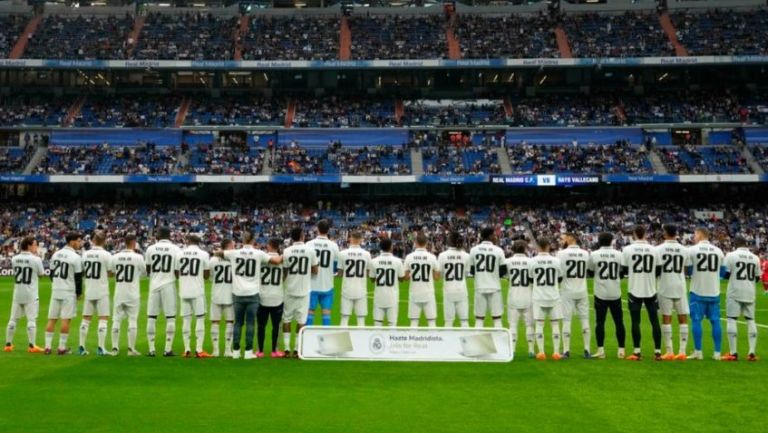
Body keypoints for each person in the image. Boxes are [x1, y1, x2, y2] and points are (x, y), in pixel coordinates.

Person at [217, 232, 282, 360]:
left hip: (238, 293)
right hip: (252, 293)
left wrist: (219, 253)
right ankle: (248, 351)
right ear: (253, 240)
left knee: (238, 323)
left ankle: (235, 351)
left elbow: (218, 252)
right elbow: (276, 261)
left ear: (242, 239)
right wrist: (287, 253)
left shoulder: (234, 253)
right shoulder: (259, 253)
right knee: (251, 323)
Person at [622, 225, 662, 361]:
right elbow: (658, 271)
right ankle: (657, 352)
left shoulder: (627, 249)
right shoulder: (654, 250)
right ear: (645, 234)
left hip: (634, 289)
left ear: (634, 234)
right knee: (654, 320)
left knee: (635, 321)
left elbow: (624, 270)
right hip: (651, 289)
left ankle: (637, 351)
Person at [687, 227, 725, 361]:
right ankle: (717, 353)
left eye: (695, 234)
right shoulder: (719, 251)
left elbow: (689, 271)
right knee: (716, 322)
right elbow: (723, 273)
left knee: (696, 320)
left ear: (700, 234)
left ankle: (698, 351)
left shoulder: (692, 250)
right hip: (714, 292)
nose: (694, 237)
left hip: (698, 291)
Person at [281, 228, 319, 358]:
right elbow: (315, 271)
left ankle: (286, 349)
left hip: (290, 289)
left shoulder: (286, 251)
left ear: (292, 237)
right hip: (304, 290)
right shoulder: (310, 250)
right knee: (301, 321)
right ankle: (297, 350)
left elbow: (285, 271)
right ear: (302, 236)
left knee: (286, 319)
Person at [144, 227, 181, 357]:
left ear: (157, 236)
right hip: (169, 284)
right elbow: (177, 271)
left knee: (151, 317)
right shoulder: (176, 249)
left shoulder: (150, 249)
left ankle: (151, 349)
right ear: (169, 236)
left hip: (154, 285)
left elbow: (148, 269)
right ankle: (167, 349)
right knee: (170, 317)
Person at [588, 232, 626, 359]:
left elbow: (590, 272)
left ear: (599, 241)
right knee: (619, 322)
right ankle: (621, 350)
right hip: (615, 292)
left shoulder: (594, 254)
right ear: (611, 241)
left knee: (600, 322)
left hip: (600, 292)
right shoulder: (619, 254)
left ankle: (601, 350)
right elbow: (622, 272)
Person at [4, 236, 45, 353]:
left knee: (13, 319)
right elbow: (42, 274)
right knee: (31, 320)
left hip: (18, 293)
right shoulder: (36, 259)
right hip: (31, 293)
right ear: (29, 246)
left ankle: (8, 344)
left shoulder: (14, 259)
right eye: (35, 244)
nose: (36, 247)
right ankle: (32, 346)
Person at [722, 237, 760, 361]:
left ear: (735, 244)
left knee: (732, 319)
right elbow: (757, 278)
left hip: (735, 291)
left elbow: (726, 275)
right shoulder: (755, 258)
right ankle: (752, 352)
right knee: (750, 320)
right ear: (746, 244)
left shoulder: (731, 255)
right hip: (750, 291)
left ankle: (733, 353)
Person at [45, 232, 83, 355]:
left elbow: (51, 273)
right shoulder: (76, 257)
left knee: (52, 319)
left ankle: (47, 347)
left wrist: (57, 283)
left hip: (56, 289)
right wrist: (79, 293)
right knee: (66, 320)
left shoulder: (56, 254)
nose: (80, 243)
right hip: (68, 291)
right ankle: (61, 348)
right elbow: (78, 278)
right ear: (72, 242)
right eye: (78, 240)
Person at [655, 224, 690, 361]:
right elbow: (685, 268)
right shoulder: (684, 250)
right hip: (680, 285)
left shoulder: (658, 249)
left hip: (664, 286)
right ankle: (682, 351)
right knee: (683, 318)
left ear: (664, 233)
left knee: (666, 318)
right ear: (676, 234)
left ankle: (669, 351)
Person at [175, 234, 212, 358]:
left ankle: (186, 350)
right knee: (200, 318)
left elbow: (176, 273)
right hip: (197, 291)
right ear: (199, 243)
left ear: (188, 241)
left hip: (184, 290)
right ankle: (199, 349)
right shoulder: (204, 254)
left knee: (186, 320)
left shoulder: (179, 254)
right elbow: (206, 275)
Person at [556, 232, 591, 359]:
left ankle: (566, 350)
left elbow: (559, 273)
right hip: (582, 289)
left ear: (571, 238)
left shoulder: (561, 254)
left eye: (564, 238)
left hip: (567, 290)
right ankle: (587, 350)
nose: (562, 240)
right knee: (585, 319)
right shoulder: (585, 253)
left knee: (566, 320)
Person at [110, 234, 146, 356]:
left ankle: (115, 348)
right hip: (132, 293)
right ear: (133, 242)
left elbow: (111, 272)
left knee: (116, 319)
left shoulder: (115, 257)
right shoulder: (138, 257)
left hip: (119, 292)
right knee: (132, 320)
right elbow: (145, 273)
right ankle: (131, 349)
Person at [78, 231, 112, 356]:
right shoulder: (107, 255)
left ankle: (81, 347)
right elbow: (110, 272)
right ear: (104, 241)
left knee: (86, 318)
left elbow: (83, 270)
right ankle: (101, 348)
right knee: (103, 318)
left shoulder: (85, 254)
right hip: (102, 289)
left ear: (93, 241)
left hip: (89, 289)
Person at [530, 237, 563, 361]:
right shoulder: (556, 261)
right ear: (548, 246)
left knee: (539, 324)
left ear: (538, 247)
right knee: (555, 324)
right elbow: (560, 278)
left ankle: (541, 352)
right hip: (553, 296)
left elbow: (530, 279)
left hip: (539, 296)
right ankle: (556, 352)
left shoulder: (532, 261)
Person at [468, 227, 506, 328]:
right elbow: (503, 271)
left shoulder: (473, 250)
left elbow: (471, 270)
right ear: (489, 236)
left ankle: (477, 343)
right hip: (495, 287)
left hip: (480, 287)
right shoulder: (499, 250)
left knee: (479, 319)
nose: (496, 236)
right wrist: (493, 275)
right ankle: (499, 343)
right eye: (494, 234)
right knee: (497, 319)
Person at [306, 220, 339, 326]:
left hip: (312, 284)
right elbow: (335, 267)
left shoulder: (309, 244)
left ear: (317, 229)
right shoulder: (334, 246)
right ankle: (325, 339)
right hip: (327, 284)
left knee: (310, 311)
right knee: (326, 312)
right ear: (328, 230)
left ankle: (308, 338)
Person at [505, 240, 534, 357]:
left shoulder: (508, 261)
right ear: (525, 249)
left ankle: (513, 350)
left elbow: (506, 276)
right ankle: (531, 350)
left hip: (513, 296)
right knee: (530, 325)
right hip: (528, 296)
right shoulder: (531, 261)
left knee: (512, 325)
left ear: (513, 249)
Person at [404, 233, 440, 328]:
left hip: (414, 293)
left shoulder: (409, 257)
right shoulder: (432, 257)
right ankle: (433, 343)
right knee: (432, 322)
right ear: (427, 243)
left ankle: (414, 343)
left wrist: (412, 273)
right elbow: (437, 277)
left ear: (415, 242)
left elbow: (405, 278)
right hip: (428, 292)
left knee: (414, 323)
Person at [338, 231, 372, 327]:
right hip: (361, 289)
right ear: (361, 240)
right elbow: (368, 273)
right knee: (361, 319)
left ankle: (343, 341)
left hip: (347, 289)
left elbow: (340, 273)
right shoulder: (367, 254)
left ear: (350, 238)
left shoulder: (343, 253)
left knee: (344, 318)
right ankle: (361, 341)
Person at [437, 232, 471, 328]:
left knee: (448, 322)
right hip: (462, 291)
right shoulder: (466, 256)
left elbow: (440, 274)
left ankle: (447, 343)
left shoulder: (442, 255)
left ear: (450, 240)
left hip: (448, 291)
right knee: (464, 321)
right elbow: (466, 274)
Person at [370, 237, 405, 327]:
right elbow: (401, 279)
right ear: (391, 247)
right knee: (392, 324)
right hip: (392, 297)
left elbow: (372, 279)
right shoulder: (398, 261)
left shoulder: (374, 261)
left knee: (377, 324)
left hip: (379, 296)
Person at [259, 238, 285, 358]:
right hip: (277, 296)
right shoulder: (282, 259)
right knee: (276, 326)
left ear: (269, 246)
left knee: (261, 325)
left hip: (262, 296)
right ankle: (275, 350)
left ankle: (260, 351)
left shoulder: (261, 257)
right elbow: (285, 274)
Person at [209, 239, 234, 358]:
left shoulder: (213, 260)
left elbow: (210, 276)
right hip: (230, 293)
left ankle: (215, 350)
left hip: (216, 293)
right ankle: (228, 350)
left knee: (215, 321)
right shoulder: (234, 259)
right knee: (230, 322)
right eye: (232, 246)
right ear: (228, 246)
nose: (234, 248)